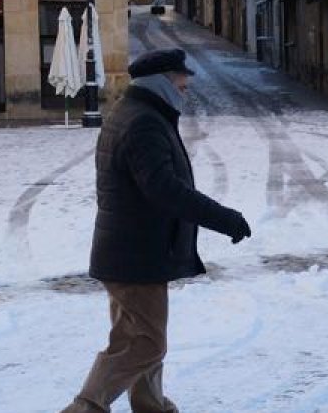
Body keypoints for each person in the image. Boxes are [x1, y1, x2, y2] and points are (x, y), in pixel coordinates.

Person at [61, 48, 252, 413]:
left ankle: (151, 405)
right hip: (136, 255)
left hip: (130, 251)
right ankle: (85, 407)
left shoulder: (137, 113)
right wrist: (224, 219)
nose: (186, 87)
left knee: (133, 337)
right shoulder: (144, 122)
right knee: (147, 342)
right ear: (161, 81)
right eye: (181, 80)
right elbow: (165, 190)